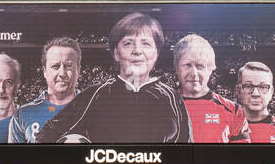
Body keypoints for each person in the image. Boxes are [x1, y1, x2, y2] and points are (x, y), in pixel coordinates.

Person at [36, 12, 191, 144]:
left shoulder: (172, 97)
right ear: (116, 53)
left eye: (146, 44)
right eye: (128, 43)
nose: (137, 51)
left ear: (156, 53)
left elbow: (187, 149)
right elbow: (47, 134)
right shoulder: (95, 94)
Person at [172, 34, 249, 143]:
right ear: (177, 68)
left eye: (200, 66)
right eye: (187, 65)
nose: (194, 73)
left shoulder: (234, 111)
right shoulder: (161, 109)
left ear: (211, 69)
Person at [11, 38, 82, 142]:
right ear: (44, 71)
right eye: (55, 66)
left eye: (69, 66)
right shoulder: (23, 115)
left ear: (78, 70)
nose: (62, 73)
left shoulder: (94, 111)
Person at [234, 61, 275, 143]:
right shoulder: (223, 129)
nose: (255, 93)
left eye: (263, 87)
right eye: (248, 86)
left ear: (271, 91)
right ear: (238, 91)